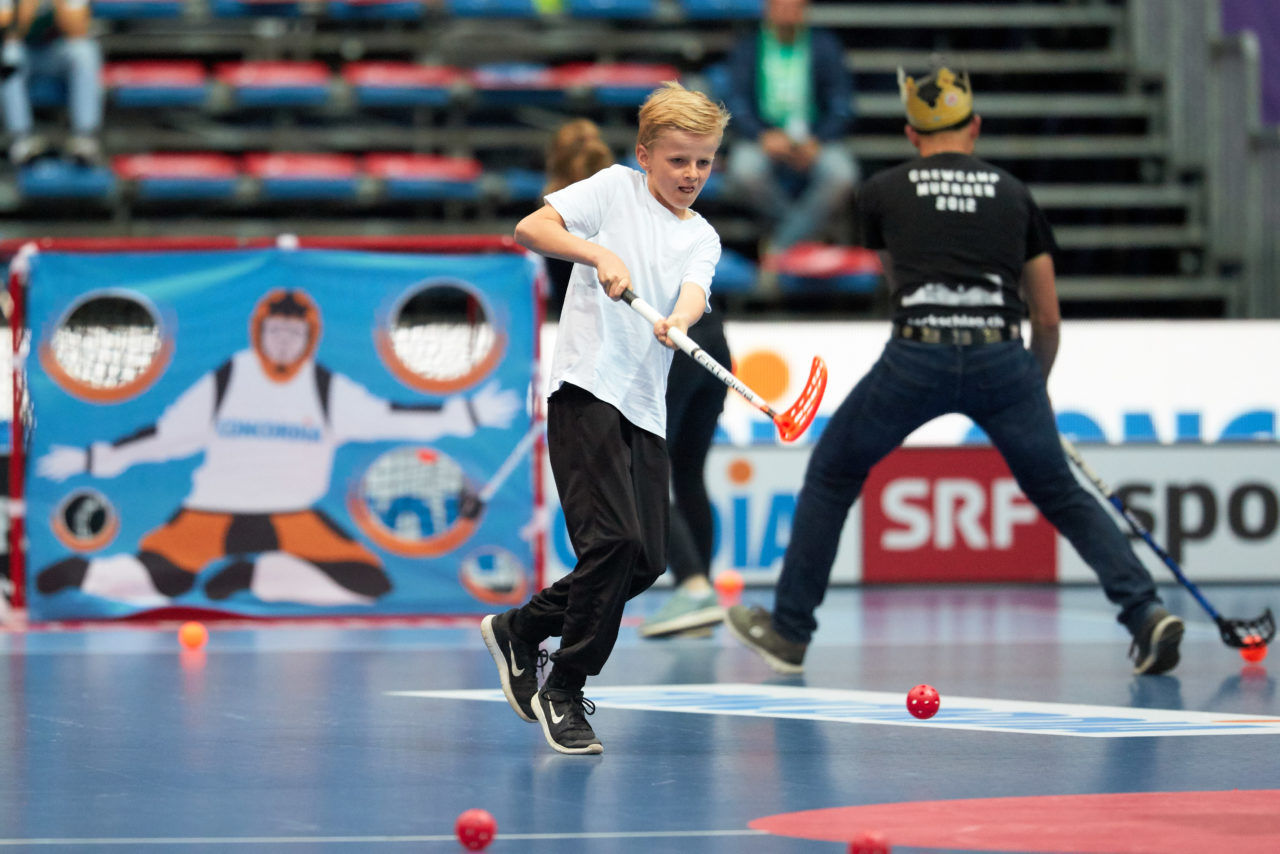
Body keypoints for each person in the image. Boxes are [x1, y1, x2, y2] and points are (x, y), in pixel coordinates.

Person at [725, 65, 1185, 678]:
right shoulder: (1014, 193)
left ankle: (789, 631)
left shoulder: (882, 191)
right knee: (1061, 494)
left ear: (913, 135)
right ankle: (1145, 612)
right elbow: (1046, 316)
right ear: (975, 128)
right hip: (1002, 356)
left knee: (834, 473)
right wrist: (1030, 385)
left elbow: (899, 282)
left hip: (918, 352)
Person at [481, 81, 731, 755]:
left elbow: (695, 292)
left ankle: (522, 629)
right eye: (679, 160)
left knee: (647, 561)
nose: (692, 175)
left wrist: (677, 320)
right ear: (646, 155)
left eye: (704, 162)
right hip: (587, 386)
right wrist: (599, 253)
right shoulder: (613, 189)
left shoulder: (702, 234)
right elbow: (531, 227)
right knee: (613, 543)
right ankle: (563, 687)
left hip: (645, 405)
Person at [35, 288, 520, 607]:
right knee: (164, 580)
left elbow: (390, 417)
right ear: (259, 333)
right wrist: (90, 459)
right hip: (211, 511)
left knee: (368, 582)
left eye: (294, 333)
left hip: (292, 516)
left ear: (309, 338)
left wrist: (468, 414)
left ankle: (257, 576)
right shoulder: (228, 377)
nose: (284, 342)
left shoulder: (326, 387)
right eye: (275, 332)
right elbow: (165, 436)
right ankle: (87, 573)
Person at [721, 0, 857, 254]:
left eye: (793, 6)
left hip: (815, 137)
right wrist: (762, 135)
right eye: (780, 5)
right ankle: (804, 237)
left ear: (804, 9)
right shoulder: (748, 47)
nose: (786, 12)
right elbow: (735, 103)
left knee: (842, 174)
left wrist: (818, 140)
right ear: (767, 9)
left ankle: (781, 246)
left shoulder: (824, 46)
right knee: (744, 171)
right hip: (764, 136)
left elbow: (843, 104)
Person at [637, 304, 731, 639]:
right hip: (712, 337)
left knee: (642, 470)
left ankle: (693, 587)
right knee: (689, 475)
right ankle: (701, 603)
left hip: (671, 345)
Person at [1, 0, 104, 165]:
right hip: (23, 53)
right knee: (8, 54)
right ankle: (20, 139)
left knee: (85, 51)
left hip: (56, 52)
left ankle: (84, 138)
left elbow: (78, 30)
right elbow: (7, 33)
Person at [540, 118, 615, 318]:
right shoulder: (620, 199)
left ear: (555, 160)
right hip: (611, 318)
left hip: (575, 319)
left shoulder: (550, 211)